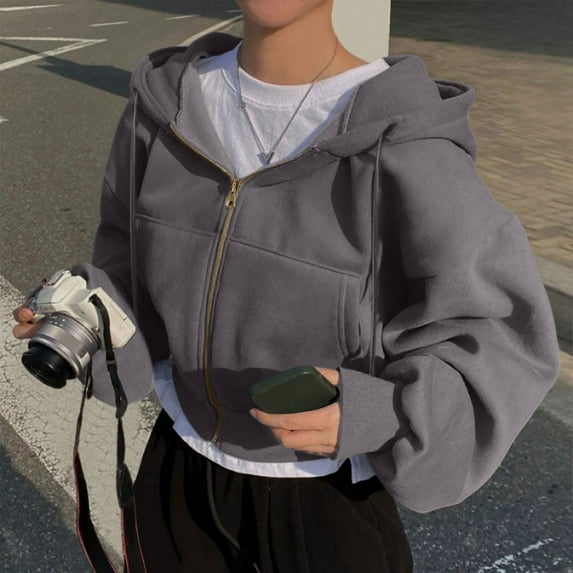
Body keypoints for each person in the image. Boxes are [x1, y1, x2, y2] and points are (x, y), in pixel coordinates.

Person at [13, 0, 560, 571]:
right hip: (177, 466)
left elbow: (499, 330)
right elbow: (128, 256)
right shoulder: (164, 105)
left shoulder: (407, 138)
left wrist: (385, 411)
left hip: (323, 497)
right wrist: (88, 315)